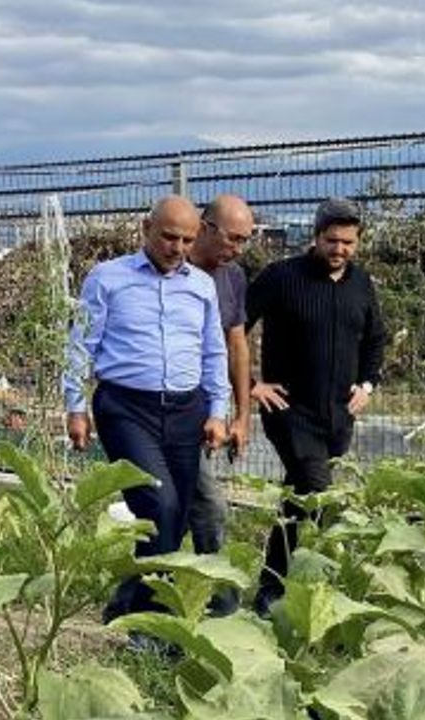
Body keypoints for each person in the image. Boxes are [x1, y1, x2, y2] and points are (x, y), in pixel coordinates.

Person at [63, 195, 230, 623]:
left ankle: (129, 601)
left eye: (187, 240)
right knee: (159, 507)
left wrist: (217, 410)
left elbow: (214, 351)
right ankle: (152, 627)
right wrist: (76, 407)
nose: (177, 248)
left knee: (176, 514)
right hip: (125, 407)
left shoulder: (202, 286)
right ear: (146, 228)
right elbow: (80, 345)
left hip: (185, 409)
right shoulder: (107, 279)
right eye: (169, 237)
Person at [245, 197, 387, 616]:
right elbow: (232, 327)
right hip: (289, 411)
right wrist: (251, 385)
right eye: (331, 240)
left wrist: (368, 384)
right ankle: (319, 594)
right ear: (315, 236)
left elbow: (375, 338)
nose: (339, 249)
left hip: (338, 416)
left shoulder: (361, 283)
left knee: (299, 500)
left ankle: (271, 593)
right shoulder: (280, 277)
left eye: (347, 242)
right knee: (318, 494)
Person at [184, 194, 255, 616]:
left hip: (207, 410)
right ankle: (221, 605)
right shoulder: (174, 270)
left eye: (245, 240)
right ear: (206, 227)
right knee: (205, 503)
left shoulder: (232, 278)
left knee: (189, 505)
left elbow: (237, 344)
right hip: (170, 407)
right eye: (233, 238)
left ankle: (147, 601)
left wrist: (242, 416)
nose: (238, 249)